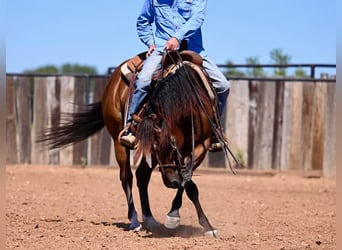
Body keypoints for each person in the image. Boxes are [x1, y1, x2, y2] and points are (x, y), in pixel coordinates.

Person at [120, 0, 230, 149]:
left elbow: (197, 18)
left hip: (194, 50)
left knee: (223, 86)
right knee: (143, 80)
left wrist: (177, 37)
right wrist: (149, 42)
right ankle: (131, 126)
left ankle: (214, 128)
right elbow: (143, 20)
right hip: (161, 50)